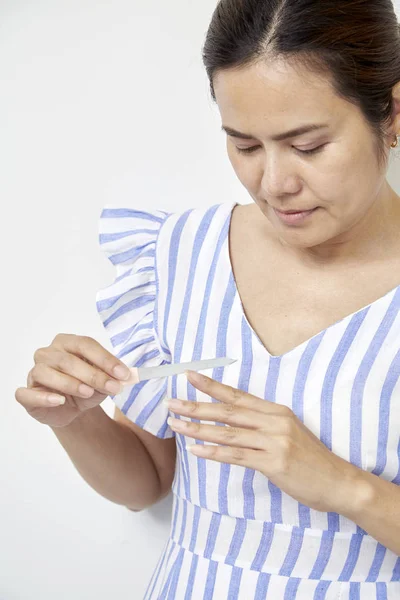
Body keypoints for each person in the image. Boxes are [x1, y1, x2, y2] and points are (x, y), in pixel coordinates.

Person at [15, 0, 400, 598]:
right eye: (245, 146)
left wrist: (345, 486)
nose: (274, 183)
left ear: (393, 113)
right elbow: (146, 482)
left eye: (308, 145)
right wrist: (76, 421)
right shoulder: (181, 253)